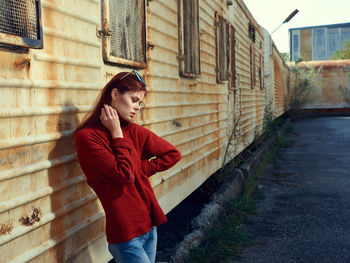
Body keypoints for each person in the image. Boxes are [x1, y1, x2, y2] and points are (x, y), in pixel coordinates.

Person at [74, 71, 181, 263]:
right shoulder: (87, 138)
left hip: (149, 226)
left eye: (139, 102)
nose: (137, 107)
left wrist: (142, 169)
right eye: (134, 100)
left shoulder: (135, 131)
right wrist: (116, 133)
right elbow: (124, 175)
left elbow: (173, 154)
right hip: (125, 233)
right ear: (115, 95)